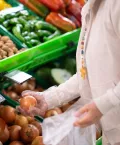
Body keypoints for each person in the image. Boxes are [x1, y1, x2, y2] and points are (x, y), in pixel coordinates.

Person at [18, 0, 120, 145]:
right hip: (112, 131)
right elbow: (89, 72)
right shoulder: (91, 7)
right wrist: (49, 98)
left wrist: (103, 104)